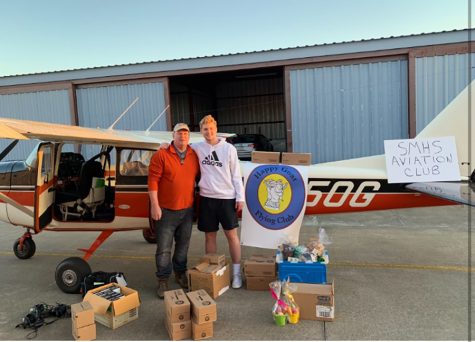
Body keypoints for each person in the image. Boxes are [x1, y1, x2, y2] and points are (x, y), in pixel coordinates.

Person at [148, 123, 200, 299]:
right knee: (164, 248)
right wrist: (155, 205)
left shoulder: (194, 154)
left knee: (183, 245)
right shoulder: (161, 154)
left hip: (187, 210)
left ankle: (180, 273)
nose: (183, 136)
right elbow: (153, 182)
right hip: (166, 210)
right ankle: (163, 279)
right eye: (179, 133)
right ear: (173, 135)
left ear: (189, 136)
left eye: (185, 133)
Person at [193, 114, 245, 289]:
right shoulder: (197, 147)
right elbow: (179, 148)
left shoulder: (229, 149)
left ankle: (237, 274)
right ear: (201, 131)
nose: (209, 132)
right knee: (209, 236)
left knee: (232, 236)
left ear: (216, 129)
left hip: (226, 198)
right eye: (205, 129)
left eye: (211, 128)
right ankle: (212, 272)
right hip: (207, 198)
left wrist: (240, 197)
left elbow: (236, 175)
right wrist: (165, 145)